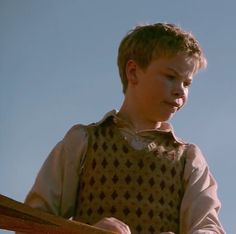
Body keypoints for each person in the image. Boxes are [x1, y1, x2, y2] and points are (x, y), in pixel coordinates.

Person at [18, 23, 225, 234]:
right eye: (171, 77)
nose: (181, 91)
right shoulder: (83, 141)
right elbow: (29, 224)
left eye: (187, 83)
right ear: (133, 72)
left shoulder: (188, 159)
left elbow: (208, 227)